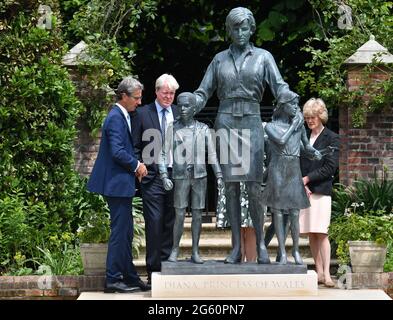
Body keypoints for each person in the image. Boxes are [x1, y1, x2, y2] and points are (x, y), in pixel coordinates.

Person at [193, 7, 291, 264]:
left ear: (252, 29)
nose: (240, 32)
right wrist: (192, 101)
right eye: (235, 28)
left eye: (244, 27)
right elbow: (204, 92)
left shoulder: (263, 57)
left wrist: (289, 98)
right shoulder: (219, 60)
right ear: (229, 30)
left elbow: (279, 86)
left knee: (254, 187)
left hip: (251, 121)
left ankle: (260, 244)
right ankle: (236, 247)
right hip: (225, 121)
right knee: (231, 187)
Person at [87, 76, 150, 293]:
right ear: (124, 96)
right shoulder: (115, 117)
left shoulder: (122, 115)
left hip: (120, 184)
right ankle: (113, 279)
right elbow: (118, 152)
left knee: (126, 233)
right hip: (115, 185)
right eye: (136, 98)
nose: (139, 102)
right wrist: (138, 166)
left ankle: (130, 277)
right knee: (119, 233)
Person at [158, 92, 224, 264]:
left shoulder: (203, 129)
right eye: (180, 105)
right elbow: (163, 154)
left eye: (187, 106)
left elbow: (213, 156)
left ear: (194, 109)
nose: (183, 109)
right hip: (180, 177)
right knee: (179, 214)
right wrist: (164, 175)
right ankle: (175, 249)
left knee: (197, 214)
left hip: (200, 176)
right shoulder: (172, 128)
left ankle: (195, 250)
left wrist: (218, 175)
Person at [262, 90, 321, 265]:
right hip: (277, 169)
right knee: (278, 212)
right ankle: (282, 252)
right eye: (292, 104)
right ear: (283, 106)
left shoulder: (299, 127)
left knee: (294, 212)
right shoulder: (271, 127)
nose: (296, 108)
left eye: (297, 104)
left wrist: (314, 153)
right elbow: (280, 141)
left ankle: (295, 250)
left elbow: (304, 147)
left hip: (293, 169)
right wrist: (294, 126)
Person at [131, 73, 179, 284]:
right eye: (165, 92)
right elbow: (134, 146)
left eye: (172, 93)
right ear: (157, 91)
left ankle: (168, 265)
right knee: (154, 222)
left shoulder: (179, 113)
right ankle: (153, 272)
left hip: (175, 175)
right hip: (152, 177)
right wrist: (138, 168)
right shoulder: (142, 113)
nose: (169, 96)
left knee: (172, 221)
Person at [299, 98, 339, 287]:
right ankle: (319, 272)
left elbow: (330, 167)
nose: (309, 120)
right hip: (305, 192)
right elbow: (298, 164)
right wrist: (303, 184)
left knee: (322, 232)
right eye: (307, 117)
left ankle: (328, 274)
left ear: (320, 116)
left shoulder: (331, 137)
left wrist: (307, 179)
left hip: (321, 192)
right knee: (311, 233)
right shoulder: (304, 138)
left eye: (312, 117)